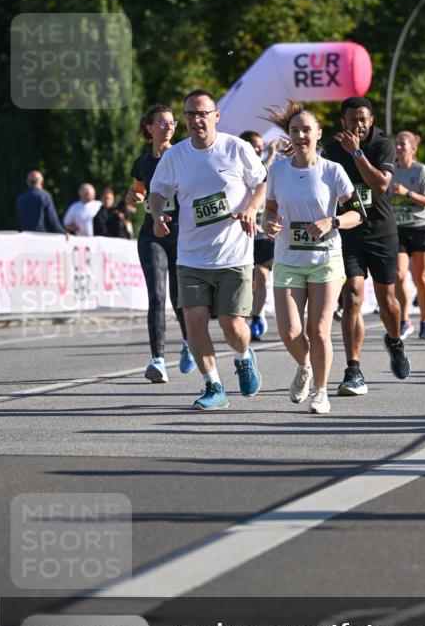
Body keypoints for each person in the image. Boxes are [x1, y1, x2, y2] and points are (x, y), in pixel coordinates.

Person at [149, 89, 267, 408]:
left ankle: (243, 357)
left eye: (202, 113)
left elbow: (261, 182)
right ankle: (213, 386)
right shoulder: (176, 156)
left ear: (216, 115)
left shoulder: (236, 148)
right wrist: (158, 214)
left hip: (234, 254)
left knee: (232, 325)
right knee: (195, 323)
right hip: (191, 256)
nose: (196, 120)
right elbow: (158, 190)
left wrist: (252, 208)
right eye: (190, 114)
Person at [262, 102, 362, 414]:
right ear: (289, 135)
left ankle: (321, 392)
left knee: (319, 330)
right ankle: (304, 367)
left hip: (325, 259)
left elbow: (358, 213)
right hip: (289, 257)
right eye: (295, 130)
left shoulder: (332, 171)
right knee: (290, 332)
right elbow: (270, 209)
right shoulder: (278, 170)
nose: (301, 135)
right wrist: (268, 223)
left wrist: (331, 222)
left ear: (318, 134)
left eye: (307, 130)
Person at [323, 96, 410, 395]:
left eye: (363, 119)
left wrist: (357, 153)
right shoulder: (333, 150)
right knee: (353, 296)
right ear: (342, 122)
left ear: (371, 120)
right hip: (349, 232)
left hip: (382, 232)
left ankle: (395, 342)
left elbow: (381, 185)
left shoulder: (381, 145)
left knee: (388, 302)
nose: (357, 124)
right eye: (352, 119)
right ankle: (353, 370)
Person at [127, 105, 194, 384]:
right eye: (162, 123)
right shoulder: (142, 163)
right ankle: (158, 360)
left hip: (181, 233)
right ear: (150, 128)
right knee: (156, 295)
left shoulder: (184, 156)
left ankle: (190, 343)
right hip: (151, 233)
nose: (168, 127)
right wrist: (134, 197)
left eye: (172, 123)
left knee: (180, 299)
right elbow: (137, 190)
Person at [240, 130, 287, 341]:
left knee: (261, 273)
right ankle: (246, 314)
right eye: (255, 145)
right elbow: (259, 174)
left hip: (264, 233)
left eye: (261, 145)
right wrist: (270, 154)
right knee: (247, 278)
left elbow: (266, 176)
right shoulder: (238, 165)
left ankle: (257, 317)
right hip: (244, 233)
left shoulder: (271, 167)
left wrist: (272, 154)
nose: (259, 149)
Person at [390, 131, 425, 339]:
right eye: (397, 144)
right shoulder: (390, 170)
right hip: (399, 227)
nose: (399, 148)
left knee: (422, 277)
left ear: (412, 148)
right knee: (399, 275)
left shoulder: (421, 171)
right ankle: (405, 320)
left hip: (421, 227)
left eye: (403, 145)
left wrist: (407, 193)